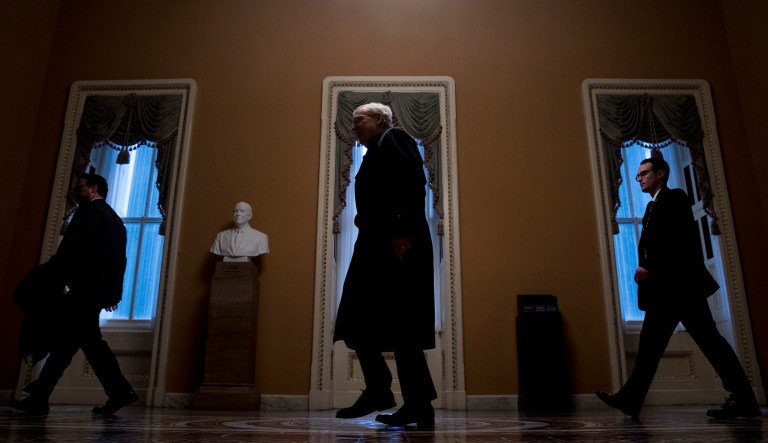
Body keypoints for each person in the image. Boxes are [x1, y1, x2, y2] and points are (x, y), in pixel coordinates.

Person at [597, 157, 761, 419]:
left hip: (682, 289)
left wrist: (649, 265)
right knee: (652, 345)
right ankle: (631, 399)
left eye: (644, 173)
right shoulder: (651, 207)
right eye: (638, 175)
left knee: (709, 342)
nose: (639, 179)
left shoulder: (675, 198)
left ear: (661, 174)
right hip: (665, 291)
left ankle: (744, 400)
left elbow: (676, 239)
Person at [333, 102, 437, 427]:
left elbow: (411, 184)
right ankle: (393, 394)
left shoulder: (394, 138)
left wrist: (401, 230)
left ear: (379, 119)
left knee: (398, 325)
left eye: (359, 119)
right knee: (360, 319)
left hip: (396, 244)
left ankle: (404, 400)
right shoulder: (375, 150)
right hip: (377, 244)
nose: (354, 125)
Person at [11, 173, 138, 415]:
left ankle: (42, 396)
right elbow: (119, 261)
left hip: (84, 290)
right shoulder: (116, 220)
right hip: (98, 292)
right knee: (74, 342)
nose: (75, 191)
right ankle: (42, 395)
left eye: (80, 187)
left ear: (93, 188)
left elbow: (74, 249)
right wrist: (113, 294)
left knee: (79, 342)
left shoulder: (88, 211)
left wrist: (57, 278)